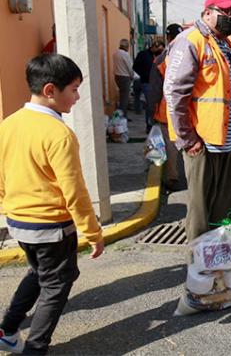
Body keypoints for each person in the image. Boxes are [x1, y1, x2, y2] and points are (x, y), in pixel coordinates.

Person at [0, 54, 104, 355]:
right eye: (73, 89)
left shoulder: (10, 124)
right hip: (51, 227)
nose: (78, 96)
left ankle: (8, 329)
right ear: (50, 90)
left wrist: (9, 207)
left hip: (19, 222)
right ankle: (35, 349)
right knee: (56, 286)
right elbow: (75, 191)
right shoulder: (58, 134)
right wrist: (93, 232)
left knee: (39, 273)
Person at [164, 0, 231, 241]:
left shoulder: (225, 45)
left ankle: (219, 259)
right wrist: (187, 138)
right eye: (225, 12)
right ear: (207, 13)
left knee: (224, 211)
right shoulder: (190, 40)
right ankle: (200, 271)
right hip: (205, 144)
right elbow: (174, 92)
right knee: (201, 212)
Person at [148, 24, 184, 191]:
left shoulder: (162, 59)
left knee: (170, 145)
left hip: (167, 110)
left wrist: (150, 113)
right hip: (190, 109)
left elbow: (155, 90)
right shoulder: (191, 52)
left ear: (168, 37)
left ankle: (172, 177)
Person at [134, 41, 165, 129]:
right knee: (150, 105)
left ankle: (155, 122)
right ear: (154, 47)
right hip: (146, 82)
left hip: (157, 84)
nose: (160, 51)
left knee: (155, 104)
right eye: (159, 49)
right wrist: (143, 75)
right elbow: (135, 67)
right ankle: (150, 124)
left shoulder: (161, 57)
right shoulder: (143, 54)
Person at [112, 38, 133, 114]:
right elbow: (130, 67)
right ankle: (122, 116)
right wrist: (132, 76)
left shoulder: (115, 53)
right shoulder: (125, 54)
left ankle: (122, 115)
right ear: (127, 46)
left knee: (122, 97)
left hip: (117, 76)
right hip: (125, 77)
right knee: (125, 99)